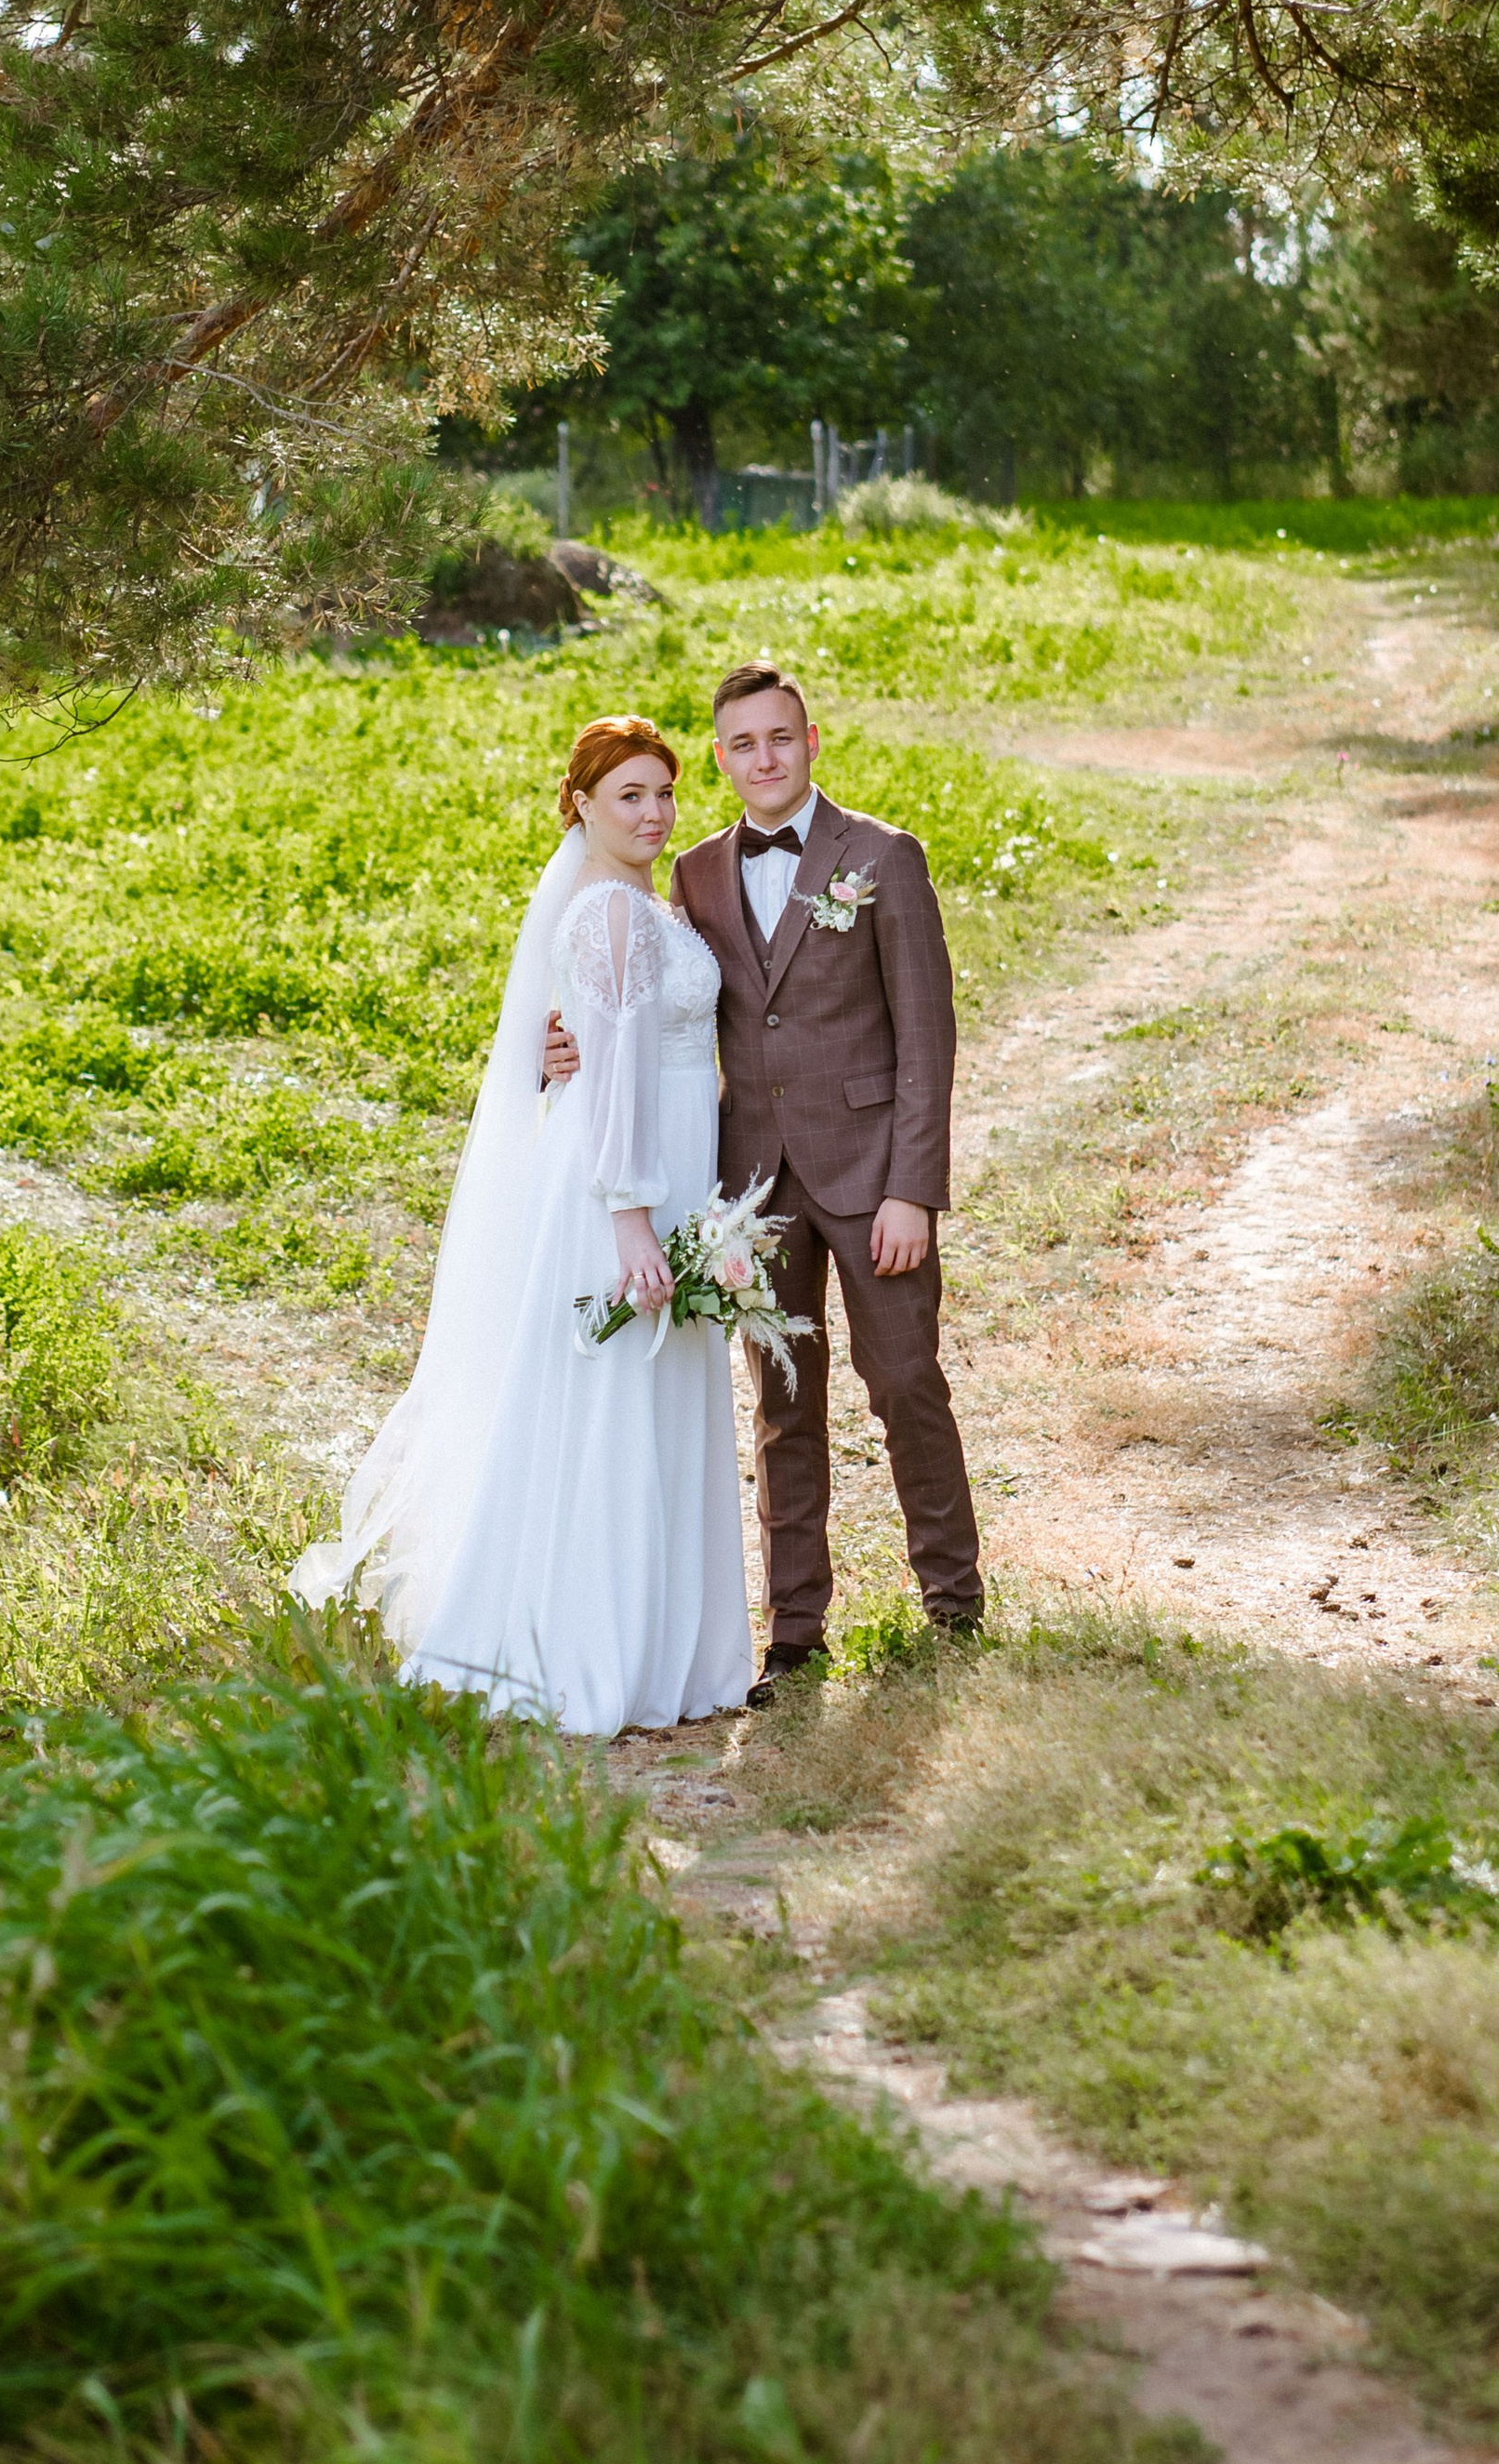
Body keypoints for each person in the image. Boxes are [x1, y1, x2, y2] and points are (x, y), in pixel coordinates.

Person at [288, 716, 752, 1734]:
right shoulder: (612, 916)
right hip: (624, 1187)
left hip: (658, 1171)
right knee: (613, 1401)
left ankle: (653, 1643)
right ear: (579, 802)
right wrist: (632, 1221)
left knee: (641, 1396)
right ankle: (597, 1649)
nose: (654, 813)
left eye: (664, 794)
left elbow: (603, 1046)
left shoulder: (636, 901)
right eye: (629, 795)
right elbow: (619, 1074)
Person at [548, 664, 982, 1695]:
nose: (764, 758)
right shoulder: (690, 874)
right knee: (784, 1407)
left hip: (874, 1179)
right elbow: (634, 999)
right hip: (751, 1189)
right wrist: (555, 1050)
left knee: (906, 1384)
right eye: (741, 744)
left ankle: (953, 1606)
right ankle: (795, 1632)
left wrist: (911, 1188)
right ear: (719, 758)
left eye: (779, 737)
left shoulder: (881, 857)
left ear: (812, 740)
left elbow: (928, 1037)